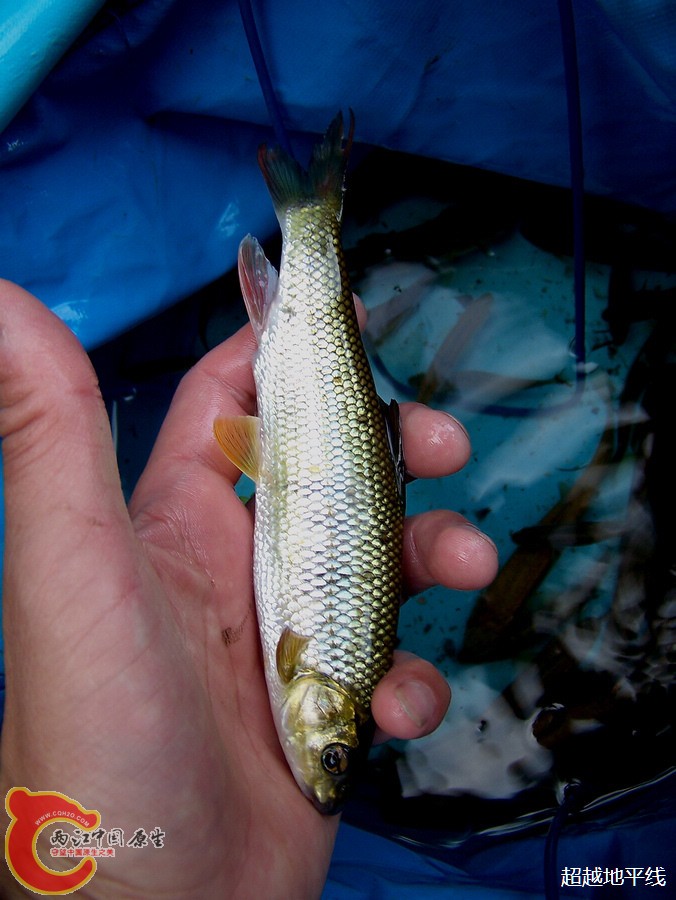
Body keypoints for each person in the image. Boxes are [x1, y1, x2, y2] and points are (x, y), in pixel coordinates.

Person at [0, 279, 498, 898]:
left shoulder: (301, 682)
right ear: (329, 709)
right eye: (331, 758)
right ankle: (311, 225)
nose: (321, 780)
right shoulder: (307, 671)